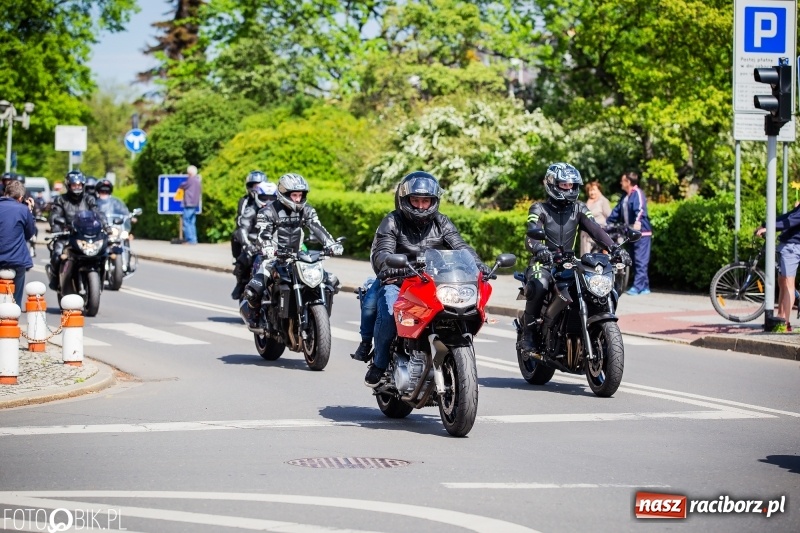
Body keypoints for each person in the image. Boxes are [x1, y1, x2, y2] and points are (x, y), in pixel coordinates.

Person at [364, 171, 492, 387]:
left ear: (434, 201)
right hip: (400, 281)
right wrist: (388, 265)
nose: (421, 206)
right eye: (416, 200)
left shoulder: (442, 222)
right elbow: (382, 252)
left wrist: (478, 265)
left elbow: (461, 246)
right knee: (388, 314)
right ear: (405, 200)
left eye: (426, 201)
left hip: (432, 282)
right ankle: (379, 363)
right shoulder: (392, 221)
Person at [518, 163, 630, 356]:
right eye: (564, 185)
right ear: (552, 184)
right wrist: (539, 248)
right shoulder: (539, 208)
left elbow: (595, 229)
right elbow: (530, 236)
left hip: (570, 261)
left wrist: (615, 248)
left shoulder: (579, 208)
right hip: (544, 261)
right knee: (539, 283)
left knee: (598, 284)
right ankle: (529, 334)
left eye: (572, 185)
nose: (569, 189)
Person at [241, 173, 343, 328]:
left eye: (300, 195)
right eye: (294, 195)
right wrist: (268, 247)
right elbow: (263, 233)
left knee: (332, 281)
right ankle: (254, 318)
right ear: (283, 193)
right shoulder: (268, 212)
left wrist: (331, 244)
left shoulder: (307, 210)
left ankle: (317, 320)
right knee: (254, 290)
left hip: (298, 257)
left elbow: (317, 228)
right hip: (273, 258)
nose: (297, 199)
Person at [47, 170, 107, 291]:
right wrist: (57, 228)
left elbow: (97, 213)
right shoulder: (61, 200)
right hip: (67, 235)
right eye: (74, 185)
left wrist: (106, 225)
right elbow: (54, 216)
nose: (77, 187)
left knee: (103, 253)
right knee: (58, 254)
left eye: (79, 185)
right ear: (68, 185)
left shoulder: (89, 199)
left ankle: (100, 279)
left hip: (84, 234)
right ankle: (55, 279)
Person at [231, 171, 275, 300]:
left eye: (270, 197)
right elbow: (242, 221)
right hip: (252, 236)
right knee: (244, 257)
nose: (267, 200)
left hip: (271, 240)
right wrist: (247, 244)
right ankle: (241, 282)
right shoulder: (246, 202)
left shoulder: (276, 206)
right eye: (253, 185)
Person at [606, 171, 652, 295]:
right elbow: (617, 211)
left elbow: (641, 210)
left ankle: (638, 287)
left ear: (628, 182)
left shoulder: (638, 193)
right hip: (631, 233)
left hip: (641, 233)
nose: (621, 183)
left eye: (622, 180)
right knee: (634, 258)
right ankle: (645, 287)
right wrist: (607, 223)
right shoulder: (625, 197)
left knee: (640, 260)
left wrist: (637, 223)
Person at [755, 202, 800, 328]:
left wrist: (769, 228)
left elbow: (789, 222)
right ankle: (780, 317)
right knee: (782, 282)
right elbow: (787, 216)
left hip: (792, 247)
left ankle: (785, 324)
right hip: (787, 246)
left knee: (788, 284)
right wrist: (765, 225)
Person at [0, 180, 36, 305]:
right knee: (19, 277)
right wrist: (30, 212)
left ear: (5, 193)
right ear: (21, 198)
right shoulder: (23, 210)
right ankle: (15, 308)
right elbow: (30, 233)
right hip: (16, 260)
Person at [579, 180, 612, 256]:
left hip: (599, 234)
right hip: (586, 235)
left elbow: (609, 216)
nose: (592, 192)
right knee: (585, 257)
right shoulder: (588, 201)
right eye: (590, 190)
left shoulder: (603, 201)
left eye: (594, 190)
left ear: (599, 190)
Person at [178, 165, 202, 244]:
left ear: (190, 172)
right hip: (195, 204)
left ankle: (190, 240)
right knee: (192, 222)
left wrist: (181, 178)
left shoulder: (190, 180)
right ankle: (194, 239)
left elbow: (182, 185)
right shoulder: (198, 181)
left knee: (187, 222)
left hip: (188, 203)